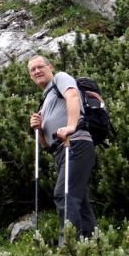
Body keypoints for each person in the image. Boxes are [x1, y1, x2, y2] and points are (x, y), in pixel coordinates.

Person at [27, 55, 96, 242]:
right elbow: (46, 145)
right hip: (60, 150)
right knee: (79, 201)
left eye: (40, 66)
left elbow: (72, 95)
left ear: (50, 67)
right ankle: (91, 244)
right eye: (32, 70)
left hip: (74, 142)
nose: (37, 71)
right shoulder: (45, 100)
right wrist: (39, 128)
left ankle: (69, 247)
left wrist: (72, 126)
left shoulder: (61, 79)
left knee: (64, 194)